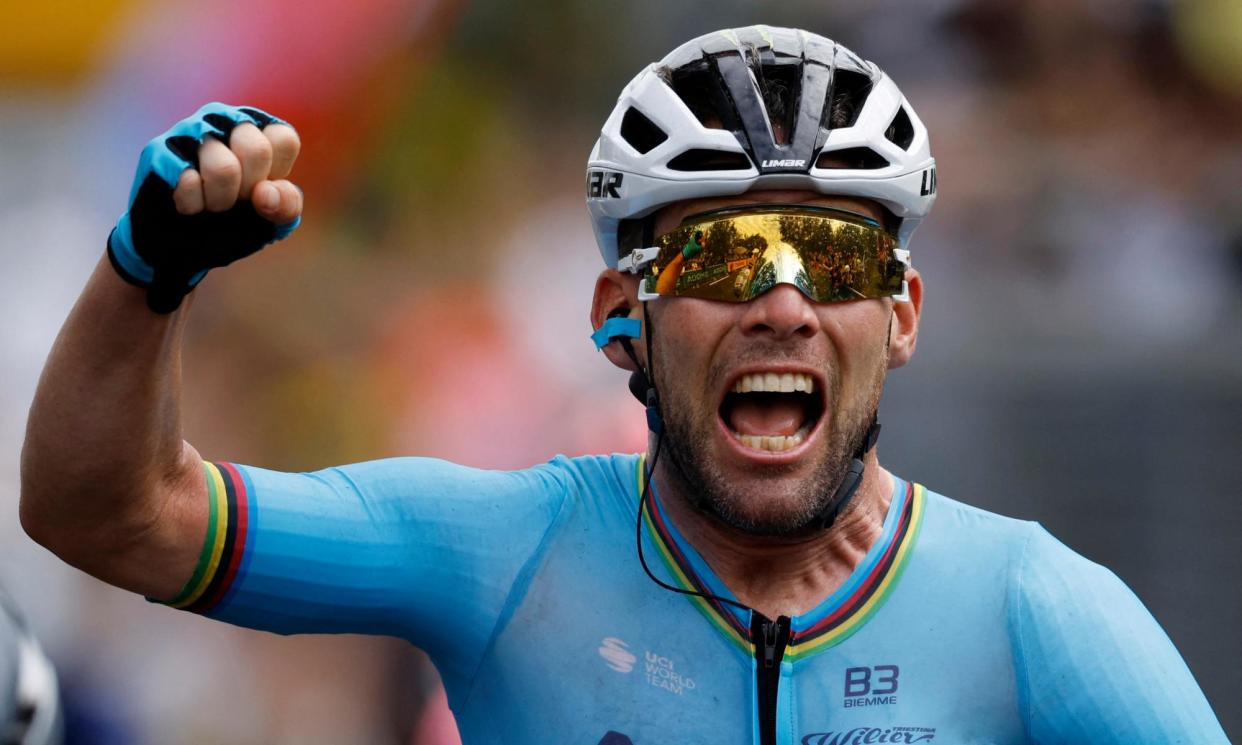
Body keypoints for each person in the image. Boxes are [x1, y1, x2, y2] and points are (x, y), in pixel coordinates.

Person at [18, 26, 1227, 745]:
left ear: (900, 314)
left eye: (840, 258)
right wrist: (147, 276)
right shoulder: (504, 550)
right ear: (620, 323)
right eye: (720, 254)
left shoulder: (1039, 606)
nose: (784, 303)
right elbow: (107, 514)